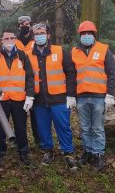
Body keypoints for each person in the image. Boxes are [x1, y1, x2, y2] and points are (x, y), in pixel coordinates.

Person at [27, 23, 78, 171]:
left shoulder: (60, 51)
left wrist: (70, 94)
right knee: (43, 128)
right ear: (33, 37)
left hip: (59, 99)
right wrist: (29, 96)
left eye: (42, 33)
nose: (39, 36)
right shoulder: (28, 55)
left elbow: (70, 73)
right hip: (39, 100)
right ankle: (48, 151)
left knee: (63, 127)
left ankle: (68, 153)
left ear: (48, 35)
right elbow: (27, 77)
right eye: (36, 34)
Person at [71, 21, 115, 172]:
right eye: (83, 34)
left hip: (99, 96)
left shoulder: (104, 50)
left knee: (97, 127)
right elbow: (71, 76)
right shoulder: (74, 52)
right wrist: (71, 95)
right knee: (85, 127)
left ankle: (98, 154)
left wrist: (110, 94)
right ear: (80, 35)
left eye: (89, 33)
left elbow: (112, 73)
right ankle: (88, 151)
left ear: (94, 35)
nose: (86, 36)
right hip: (81, 97)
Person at [0, 28, 35, 168]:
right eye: (6, 39)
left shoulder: (23, 56)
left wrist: (30, 96)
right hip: (1, 100)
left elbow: (30, 77)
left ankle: (23, 151)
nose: (8, 41)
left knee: (21, 127)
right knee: (0, 128)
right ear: (1, 40)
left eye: (11, 38)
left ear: (15, 39)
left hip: (19, 99)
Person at [15, 15, 40, 147]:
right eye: (22, 23)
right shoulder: (14, 41)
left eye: (28, 23)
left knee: (36, 116)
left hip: (34, 84)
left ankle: (38, 139)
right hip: (17, 85)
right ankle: (21, 140)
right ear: (19, 26)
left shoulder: (36, 40)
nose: (25, 25)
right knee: (20, 117)